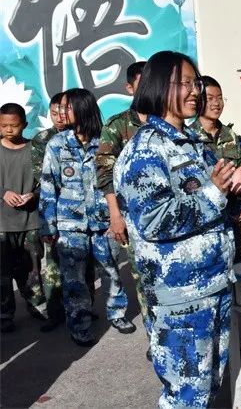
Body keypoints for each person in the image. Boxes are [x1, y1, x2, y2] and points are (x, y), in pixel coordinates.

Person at [113, 51, 241, 408]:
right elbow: (154, 220)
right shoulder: (146, 150)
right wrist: (216, 192)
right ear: (158, 87)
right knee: (185, 395)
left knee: (208, 387)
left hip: (212, 285)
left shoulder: (195, 145)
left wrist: (237, 189)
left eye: (195, 82)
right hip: (180, 297)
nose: (195, 91)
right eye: (184, 83)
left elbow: (216, 208)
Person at [39, 88, 134, 346]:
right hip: (70, 224)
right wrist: (47, 225)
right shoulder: (57, 144)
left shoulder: (105, 141)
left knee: (111, 271)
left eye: (67, 107)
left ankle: (117, 313)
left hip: (104, 221)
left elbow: (119, 182)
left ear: (83, 108)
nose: (62, 112)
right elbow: (48, 185)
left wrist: (120, 216)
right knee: (74, 279)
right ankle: (79, 324)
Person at [96, 61, 151, 347]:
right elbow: (105, 173)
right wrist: (115, 216)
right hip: (132, 216)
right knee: (143, 278)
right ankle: (156, 338)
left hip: (166, 214)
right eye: (142, 84)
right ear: (130, 88)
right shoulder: (117, 125)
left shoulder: (166, 121)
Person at [190, 75, 241, 262]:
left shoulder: (230, 135)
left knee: (237, 268)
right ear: (198, 101)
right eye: (210, 98)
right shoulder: (189, 137)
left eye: (220, 98)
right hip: (205, 225)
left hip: (232, 221)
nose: (216, 103)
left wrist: (240, 206)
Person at [0, 103, 46, 333]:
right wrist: (3, 192)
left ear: (25, 125)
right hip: (2, 225)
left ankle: (37, 306)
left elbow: (46, 181)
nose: (9, 130)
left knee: (32, 269)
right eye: (4, 125)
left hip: (30, 223)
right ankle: (4, 314)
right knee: (2, 273)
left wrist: (33, 195)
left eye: (14, 125)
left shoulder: (34, 150)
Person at [31, 93, 69, 332]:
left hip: (79, 212)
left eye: (63, 113)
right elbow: (42, 175)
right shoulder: (43, 140)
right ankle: (55, 312)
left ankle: (82, 308)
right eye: (54, 113)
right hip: (54, 208)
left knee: (84, 264)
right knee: (53, 264)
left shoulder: (82, 136)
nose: (59, 118)